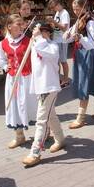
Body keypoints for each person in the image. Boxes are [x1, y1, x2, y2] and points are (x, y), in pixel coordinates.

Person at [22, 24, 65, 167]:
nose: (43, 34)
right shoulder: (36, 45)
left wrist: (39, 37)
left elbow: (46, 51)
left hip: (50, 87)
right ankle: (60, 138)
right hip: (40, 87)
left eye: (46, 32)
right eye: (42, 31)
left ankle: (35, 152)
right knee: (50, 115)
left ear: (50, 34)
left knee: (41, 120)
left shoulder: (53, 47)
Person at [0, 14, 38, 148]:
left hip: (27, 78)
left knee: (31, 105)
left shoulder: (29, 41)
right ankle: (19, 136)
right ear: (9, 27)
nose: (21, 25)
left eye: (21, 23)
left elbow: (38, 57)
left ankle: (43, 133)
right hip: (12, 79)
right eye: (17, 23)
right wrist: (4, 66)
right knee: (14, 106)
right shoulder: (4, 43)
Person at [63, 0, 94, 129]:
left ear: (85, 8)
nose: (76, 11)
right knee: (93, 84)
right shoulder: (79, 22)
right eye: (74, 9)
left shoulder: (90, 23)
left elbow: (91, 44)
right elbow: (66, 40)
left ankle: (80, 117)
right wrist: (67, 34)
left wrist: (80, 38)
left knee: (84, 85)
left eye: (78, 9)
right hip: (79, 56)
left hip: (87, 56)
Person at [47, 0, 71, 88]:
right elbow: (56, 27)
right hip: (56, 39)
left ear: (57, 4)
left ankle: (65, 80)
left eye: (53, 7)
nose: (53, 9)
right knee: (56, 61)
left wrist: (53, 22)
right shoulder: (57, 13)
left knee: (63, 61)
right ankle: (57, 79)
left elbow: (64, 28)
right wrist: (51, 23)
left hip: (62, 40)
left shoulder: (64, 13)